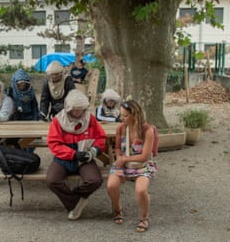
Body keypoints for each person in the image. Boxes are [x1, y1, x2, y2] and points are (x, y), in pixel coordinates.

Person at [46, 89, 106, 220]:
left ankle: (76, 200)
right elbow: (54, 144)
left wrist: (93, 151)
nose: (78, 113)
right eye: (75, 110)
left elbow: (100, 137)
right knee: (52, 180)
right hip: (63, 158)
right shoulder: (57, 121)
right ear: (68, 108)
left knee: (95, 180)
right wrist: (73, 154)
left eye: (81, 109)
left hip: (85, 156)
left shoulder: (90, 119)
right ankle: (76, 203)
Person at [106, 99, 157, 232]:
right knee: (111, 185)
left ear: (135, 115)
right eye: (121, 115)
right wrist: (119, 157)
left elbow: (145, 156)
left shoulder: (148, 130)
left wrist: (125, 158)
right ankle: (118, 209)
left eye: (125, 115)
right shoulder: (121, 128)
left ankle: (144, 217)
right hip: (123, 163)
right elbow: (117, 147)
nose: (121, 118)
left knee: (141, 190)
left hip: (142, 165)